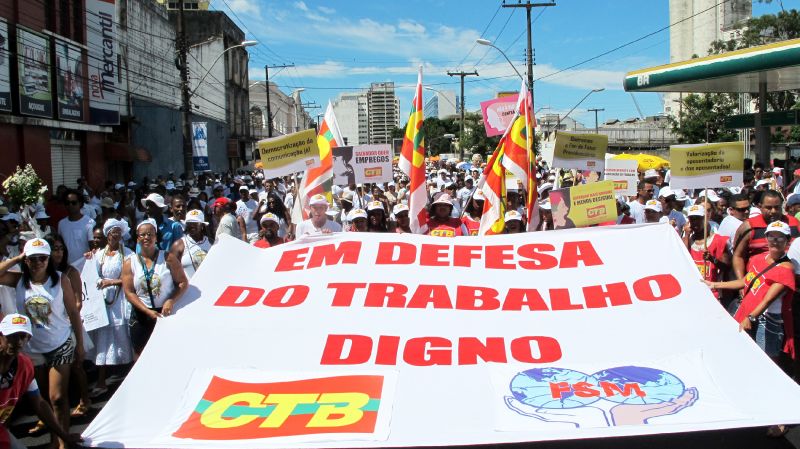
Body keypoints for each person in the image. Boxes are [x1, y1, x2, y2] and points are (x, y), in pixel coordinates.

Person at [0, 239, 83, 449]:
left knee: (58, 398)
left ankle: (62, 443)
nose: (37, 262)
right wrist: (18, 258)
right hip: (30, 348)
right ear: (26, 260)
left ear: (49, 259)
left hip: (60, 343)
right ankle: (54, 438)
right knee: (42, 398)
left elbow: (73, 312)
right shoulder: (19, 280)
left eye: (42, 258)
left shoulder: (60, 279)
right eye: (32, 258)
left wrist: (80, 344)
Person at [0, 314, 82, 449]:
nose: (18, 342)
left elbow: (39, 403)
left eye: (22, 337)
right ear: (1, 336)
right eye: (12, 336)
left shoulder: (25, 366)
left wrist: (64, 436)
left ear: (28, 339)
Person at [122, 220, 188, 358]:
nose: (146, 237)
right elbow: (129, 292)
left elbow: (182, 282)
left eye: (150, 234)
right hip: (141, 316)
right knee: (141, 356)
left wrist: (171, 300)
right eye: (142, 235)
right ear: (137, 238)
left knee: (167, 354)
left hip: (165, 313)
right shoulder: (130, 263)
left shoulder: (168, 258)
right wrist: (147, 311)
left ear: (156, 237)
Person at [87, 219, 134, 400]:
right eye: (112, 232)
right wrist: (101, 282)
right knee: (103, 338)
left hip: (121, 299)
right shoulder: (99, 255)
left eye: (118, 232)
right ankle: (101, 380)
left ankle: (130, 376)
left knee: (124, 336)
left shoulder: (128, 254)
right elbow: (92, 275)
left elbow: (132, 277)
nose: (115, 235)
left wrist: (112, 282)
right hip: (104, 300)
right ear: (107, 235)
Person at [732, 189, 800, 281]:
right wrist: (742, 282)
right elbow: (738, 256)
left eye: (777, 207)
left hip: (788, 279)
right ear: (760, 207)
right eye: (769, 208)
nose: (773, 211)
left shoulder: (794, 223)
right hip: (758, 281)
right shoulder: (749, 226)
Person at [684, 205, 730, 301]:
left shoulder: (718, 240)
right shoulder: (687, 241)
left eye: (698, 218)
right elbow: (682, 258)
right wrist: (687, 235)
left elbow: (726, 267)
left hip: (712, 293)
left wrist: (712, 259)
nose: (695, 222)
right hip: (693, 293)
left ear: (705, 219)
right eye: (692, 219)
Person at [57, 189, 95, 271]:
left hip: (85, 267)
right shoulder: (61, 224)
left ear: (80, 203)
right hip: (67, 268)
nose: (70, 205)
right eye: (67, 203)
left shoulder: (90, 223)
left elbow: (93, 247)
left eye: (73, 202)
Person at [169, 210, 211, 279]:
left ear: (202, 225)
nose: (192, 225)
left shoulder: (211, 243)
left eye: (195, 223)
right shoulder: (178, 245)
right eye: (189, 223)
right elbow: (171, 272)